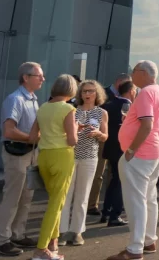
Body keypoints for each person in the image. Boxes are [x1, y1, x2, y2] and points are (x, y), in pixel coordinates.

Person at [107, 60, 159, 260]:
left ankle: (135, 249)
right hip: (154, 151)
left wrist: (132, 148)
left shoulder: (145, 93)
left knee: (136, 202)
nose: (131, 75)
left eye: (133, 71)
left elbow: (147, 125)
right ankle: (149, 241)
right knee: (149, 199)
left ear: (142, 73)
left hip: (140, 154)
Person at [0, 62, 44, 256]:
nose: (42, 79)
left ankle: (17, 234)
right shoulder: (15, 99)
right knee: (13, 198)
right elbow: (9, 130)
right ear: (26, 77)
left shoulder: (33, 99)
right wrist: (32, 138)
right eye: (39, 76)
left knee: (26, 197)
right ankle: (2, 240)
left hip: (31, 153)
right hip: (17, 154)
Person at [26, 74, 78, 260]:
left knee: (55, 201)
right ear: (72, 90)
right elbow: (72, 140)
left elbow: (33, 137)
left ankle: (52, 242)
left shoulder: (43, 107)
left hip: (44, 156)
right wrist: (75, 127)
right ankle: (41, 249)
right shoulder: (68, 108)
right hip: (62, 155)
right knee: (56, 204)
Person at [58, 80, 109, 247]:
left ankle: (77, 231)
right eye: (85, 91)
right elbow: (63, 133)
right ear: (79, 93)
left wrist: (98, 133)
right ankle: (62, 231)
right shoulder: (72, 110)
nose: (87, 94)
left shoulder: (101, 113)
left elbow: (105, 136)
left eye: (91, 91)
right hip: (70, 155)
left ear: (97, 94)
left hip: (90, 157)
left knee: (83, 195)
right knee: (66, 195)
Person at [88, 73, 131, 217]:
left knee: (113, 175)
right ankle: (92, 204)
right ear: (119, 82)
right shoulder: (103, 93)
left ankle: (110, 205)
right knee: (98, 172)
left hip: (114, 140)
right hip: (100, 138)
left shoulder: (124, 100)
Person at [100, 81, 134, 228]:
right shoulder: (127, 105)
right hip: (122, 146)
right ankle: (115, 214)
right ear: (131, 91)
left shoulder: (109, 104)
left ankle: (106, 211)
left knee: (114, 179)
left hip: (110, 146)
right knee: (121, 181)